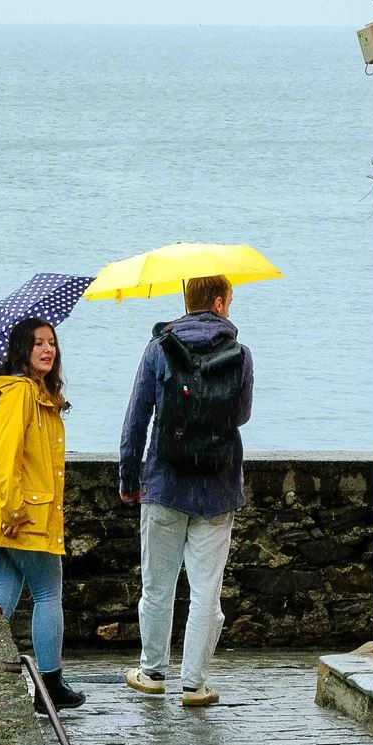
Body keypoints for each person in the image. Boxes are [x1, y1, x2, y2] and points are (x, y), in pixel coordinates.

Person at [118, 271, 254, 709]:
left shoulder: (159, 349)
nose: (229, 308)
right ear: (217, 303)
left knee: (157, 587)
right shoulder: (241, 354)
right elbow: (243, 415)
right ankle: (194, 684)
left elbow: (137, 419)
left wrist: (127, 477)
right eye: (229, 300)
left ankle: (152, 671)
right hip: (217, 489)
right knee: (205, 592)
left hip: (164, 483)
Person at [0, 317, 84, 712]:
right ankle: (50, 687)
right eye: (38, 343)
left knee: (1, 599)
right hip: (18, 516)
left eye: (51, 343)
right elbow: (6, 456)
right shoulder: (20, 393)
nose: (48, 350)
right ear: (21, 352)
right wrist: (13, 508)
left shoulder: (31, 393)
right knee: (47, 592)